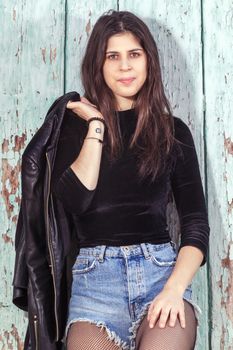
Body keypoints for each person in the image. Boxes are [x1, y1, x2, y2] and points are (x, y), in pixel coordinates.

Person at [51, 9, 210, 350]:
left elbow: (196, 225)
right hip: (95, 286)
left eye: (134, 54)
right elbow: (75, 201)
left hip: (160, 275)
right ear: (99, 65)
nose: (125, 66)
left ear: (148, 60)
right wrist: (96, 124)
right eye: (113, 56)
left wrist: (173, 290)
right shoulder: (74, 129)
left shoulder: (172, 132)